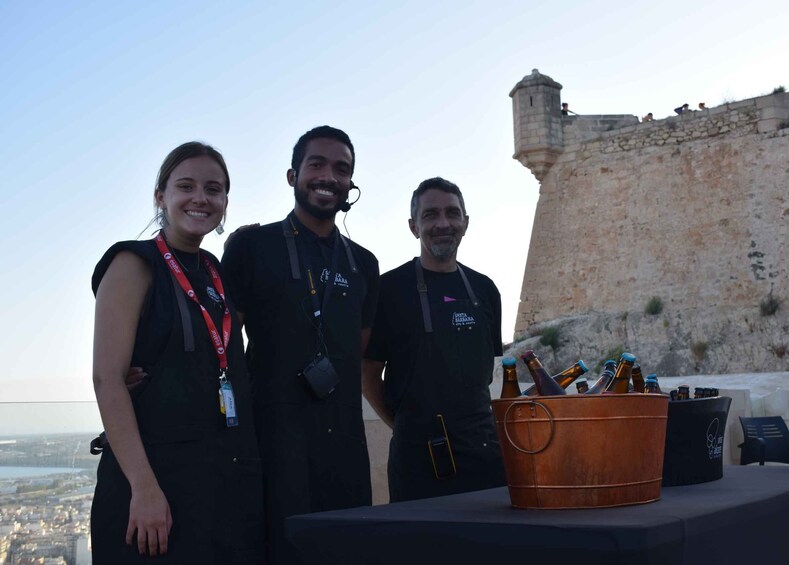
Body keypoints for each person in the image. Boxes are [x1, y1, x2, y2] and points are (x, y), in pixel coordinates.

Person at [90, 142, 263, 563]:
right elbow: (106, 378)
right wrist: (144, 489)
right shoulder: (133, 263)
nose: (201, 197)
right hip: (152, 487)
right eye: (186, 185)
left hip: (216, 481)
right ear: (160, 196)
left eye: (214, 188)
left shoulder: (215, 272)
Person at [222, 126, 379, 564]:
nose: (329, 176)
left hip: (345, 451)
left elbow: (358, 351)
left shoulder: (364, 263)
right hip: (274, 448)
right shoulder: (251, 246)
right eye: (317, 164)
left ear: (351, 183)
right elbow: (223, 346)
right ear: (293, 175)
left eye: (341, 168)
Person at [362, 177, 506, 502]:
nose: (443, 223)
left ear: (465, 223)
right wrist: (406, 427)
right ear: (414, 226)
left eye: (452, 213)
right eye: (430, 215)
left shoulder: (485, 290)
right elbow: (367, 376)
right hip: (417, 463)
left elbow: (483, 377)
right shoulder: (388, 290)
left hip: (485, 456)